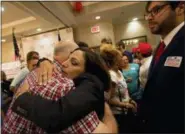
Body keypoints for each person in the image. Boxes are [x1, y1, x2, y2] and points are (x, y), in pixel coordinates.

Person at [4, 40, 117, 133]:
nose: (64, 64)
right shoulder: (65, 88)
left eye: (74, 62)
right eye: (69, 58)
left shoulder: (36, 73)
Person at [139, 1, 184, 132]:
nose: (149, 17)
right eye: (147, 14)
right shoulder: (161, 46)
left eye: (156, 10)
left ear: (180, 8)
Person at [100, 45, 136, 133]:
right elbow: (109, 99)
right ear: (114, 61)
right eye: (120, 58)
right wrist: (126, 105)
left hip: (125, 112)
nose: (123, 59)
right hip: (118, 115)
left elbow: (123, 91)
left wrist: (130, 100)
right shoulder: (112, 76)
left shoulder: (119, 72)